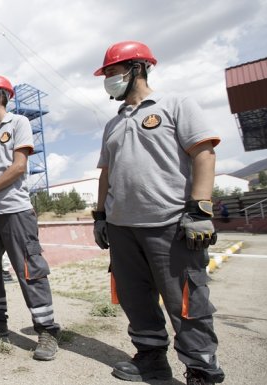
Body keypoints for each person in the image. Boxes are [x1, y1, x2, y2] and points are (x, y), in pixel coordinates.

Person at [92, 41, 224, 385]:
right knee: (135, 300)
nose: (108, 79)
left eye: (111, 71)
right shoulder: (113, 124)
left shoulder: (175, 105)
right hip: (123, 228)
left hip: (169, 225)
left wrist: (199, 210)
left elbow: (204, 153)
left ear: (136, 68)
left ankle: (201, 370)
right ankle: (151, 360)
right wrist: (100, 216)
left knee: (186, 302)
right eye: (106, 73)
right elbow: (106, 173)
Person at [0, 75, 60, 361]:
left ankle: (46, 329)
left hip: (16, 211)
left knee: (30, 270)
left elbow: (19, 167)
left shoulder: (18, 123)